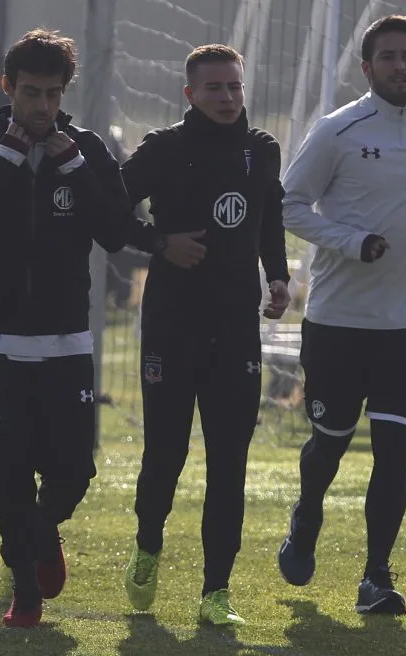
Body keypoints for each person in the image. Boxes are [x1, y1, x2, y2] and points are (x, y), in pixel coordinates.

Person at [276, 15, 406, 616]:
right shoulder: (338, 130)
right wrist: (350, 240)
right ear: (367, 68)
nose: (399, 66)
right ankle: (306, 517)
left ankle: (375, 577)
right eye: (387, 57)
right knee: (330, 444)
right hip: (339, 321)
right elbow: (288, 203)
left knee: (394, 452)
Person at [0, 27, 132, 627]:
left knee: (74, 468)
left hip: (66, 338)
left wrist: (73, 166)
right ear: (8, 87)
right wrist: (7, 159)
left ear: (64, 92)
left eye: (52, 95)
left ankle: (36, 537)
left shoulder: (87, 149)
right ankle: (26, 592)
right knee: (9, 469)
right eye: (30, 94)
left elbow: (117, 233)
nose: (42, 107)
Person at [119, 44, 291, 626]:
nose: (227, 98)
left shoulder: (262, 150)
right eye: (214, 89)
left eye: (235, 87)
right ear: (190, 95)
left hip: (236, 331)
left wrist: (281, 278)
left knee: (229, 462)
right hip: (172, 328)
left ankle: (216, 592)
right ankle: (147, 547)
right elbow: (109, 209)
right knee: (164, 454)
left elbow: (269, 217)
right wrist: (160, 243)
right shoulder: (164, 149)